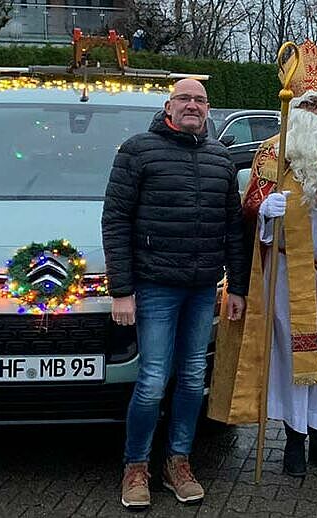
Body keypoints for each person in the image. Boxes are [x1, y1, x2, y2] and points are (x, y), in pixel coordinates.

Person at [208, 40, 317, 478]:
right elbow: (248, 207)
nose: (316, 113)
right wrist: (262, 212)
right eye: (308, 104)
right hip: (285, 273)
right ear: (294, 106)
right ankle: (293, 438)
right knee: (289, 354)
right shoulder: (272, 151)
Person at [102, 78, 249, 509]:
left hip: (203, 288)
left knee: (190, 380)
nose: (192, 105)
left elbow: (233, 230)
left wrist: (237, 286)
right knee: (151, 381)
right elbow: (116, 221)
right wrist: (122, 292)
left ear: (209, 109)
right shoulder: (138, 151)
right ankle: (135, 467)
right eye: (184, 98)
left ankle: (178, 462)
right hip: (155, 288)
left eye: (200, 100)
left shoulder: (221, 159)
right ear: (169, 105)